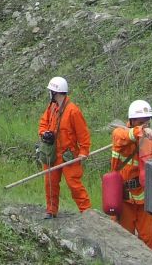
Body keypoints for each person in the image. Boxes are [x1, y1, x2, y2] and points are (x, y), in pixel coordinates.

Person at [110, 100, 152, 249]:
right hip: (124, 197)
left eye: (147, 122)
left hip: (145, 199)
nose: (145, 126)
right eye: (141, 122)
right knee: (124, 240)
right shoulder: (119, 134)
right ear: (132, 121)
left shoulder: (150, 141)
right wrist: (141, 131)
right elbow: (125, 136)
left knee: (148, 239)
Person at [37, 76, 91, 219]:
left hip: (68, 155)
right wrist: (44, 133)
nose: (49, 93)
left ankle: (87, 213)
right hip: (52, 153)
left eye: (50, 91)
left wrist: (84, 152)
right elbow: (43, 123)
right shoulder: (52, 107)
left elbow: (83, 134)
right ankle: (51, 210)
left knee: (74, 185)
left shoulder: (73, 111)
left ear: (55, 92)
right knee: (50, 183)